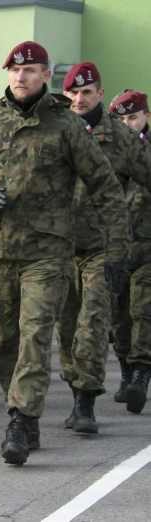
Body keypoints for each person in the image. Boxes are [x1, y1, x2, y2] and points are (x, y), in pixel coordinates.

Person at [0, 41, 130, 466]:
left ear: (46, 76)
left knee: (35, 337)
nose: (20, 77)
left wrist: (118, 252)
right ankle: (20, 405)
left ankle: (22, 420)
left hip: (46, 255)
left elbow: (106, 188)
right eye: (14, 70)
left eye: (30, 71)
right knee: (2, 341)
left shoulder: (65, 126)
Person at [56, 65, 151, 429]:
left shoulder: (123, 139)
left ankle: (85, 402)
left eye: (88, 92)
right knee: (65, 328)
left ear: (100, 93)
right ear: (66, 95)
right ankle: (74, 387)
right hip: (58, 248)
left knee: (93, 324)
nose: (80, 99)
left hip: (103, 248)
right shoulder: (52, 131)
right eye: (73, 93)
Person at [109, 90, 151, 413]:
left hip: (148, 248)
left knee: (143, 311)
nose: (127, 125)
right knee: (120, 315)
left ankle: (141, 372)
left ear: (146, 117)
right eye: (121, 120)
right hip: (116, 248)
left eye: (132, 118)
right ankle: (125, 372)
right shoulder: (106, 153)